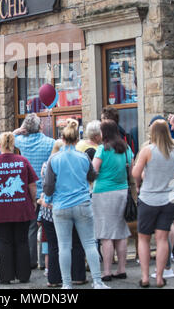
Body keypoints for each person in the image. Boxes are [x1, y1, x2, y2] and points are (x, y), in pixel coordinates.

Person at [43, 119, 109, 289]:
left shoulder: (54, 159)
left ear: (62, 139)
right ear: (76, 140)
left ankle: (66, 284)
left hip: (61, 206)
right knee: (89, 243)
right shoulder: (84, 157)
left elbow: (49, 186)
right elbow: (92, 176)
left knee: (64, 246)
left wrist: (48, 200)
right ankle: (97, 281)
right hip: (82, 203)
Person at [0, 132, 38, 285]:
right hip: (21, 207)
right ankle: (24, 275)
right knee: (22, 241)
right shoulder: (22, 161)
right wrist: (33, 201)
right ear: (13, 145)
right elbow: (32, 185)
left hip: (1, 209)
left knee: (4, 242)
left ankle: (6, 276)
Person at [132, 119, 174, 288]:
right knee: (162, 239)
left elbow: (136, 173)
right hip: (168, 199)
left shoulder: (147, 151)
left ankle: (145, 277)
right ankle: (159, 277)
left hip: (149, 198)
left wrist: (142, 176)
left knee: (144, 239)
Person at [39, 139, 87, 287]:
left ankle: (54, 279)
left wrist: (44, 201)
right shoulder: (76, 162)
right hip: (70, 206)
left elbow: (46, 186)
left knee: (54, 246)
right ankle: (78, 276)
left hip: (50, 211)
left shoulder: (47, 164)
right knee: (75, 243)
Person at [92, 119, 134, 281]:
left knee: (106, 234)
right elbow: (131, 171)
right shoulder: (126, 149)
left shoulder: (102, 149)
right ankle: (122, 269)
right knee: (121, 232)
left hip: (103, 193)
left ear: (105, 133)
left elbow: (93, 171)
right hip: (122, 191)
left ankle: (107, 271)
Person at [13, 113, 55, 269]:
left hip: (28, 192)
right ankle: (45, 261)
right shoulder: (51, 143)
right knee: (47, 226)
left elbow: (8, 138)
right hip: (46, 191)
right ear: (41, 127)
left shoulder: (21, 142)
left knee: (31, 228)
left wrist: (18, 130)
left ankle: (31, 261)